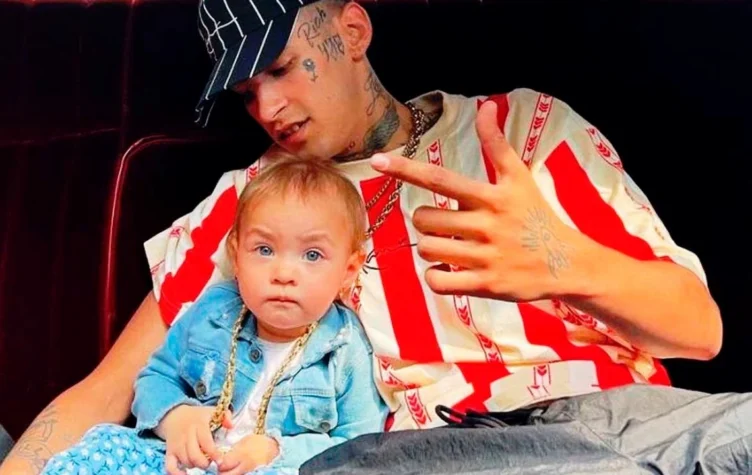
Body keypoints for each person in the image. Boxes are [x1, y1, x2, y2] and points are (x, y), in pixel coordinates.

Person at [3, 0, 750, 473]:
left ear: (352, 32)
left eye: (283, 68)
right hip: (429, 450)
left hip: (627, 419)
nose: (268, 107)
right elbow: (109, 387)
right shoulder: (249, 205)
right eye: (248, 92)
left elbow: (701, 332)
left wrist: (563, 262)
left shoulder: (523, 128)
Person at [39, 157, 388, 475]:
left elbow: (361, 446)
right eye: (264, 249)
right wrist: (175, 417)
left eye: (312, 255)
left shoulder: (345, 348)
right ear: (236, 256)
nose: (283, 273)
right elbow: (154, 378)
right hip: (182, 462)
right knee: (101, 447)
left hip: (278, 470)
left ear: (348, 270)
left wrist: (276, 450)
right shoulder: (214, 310)